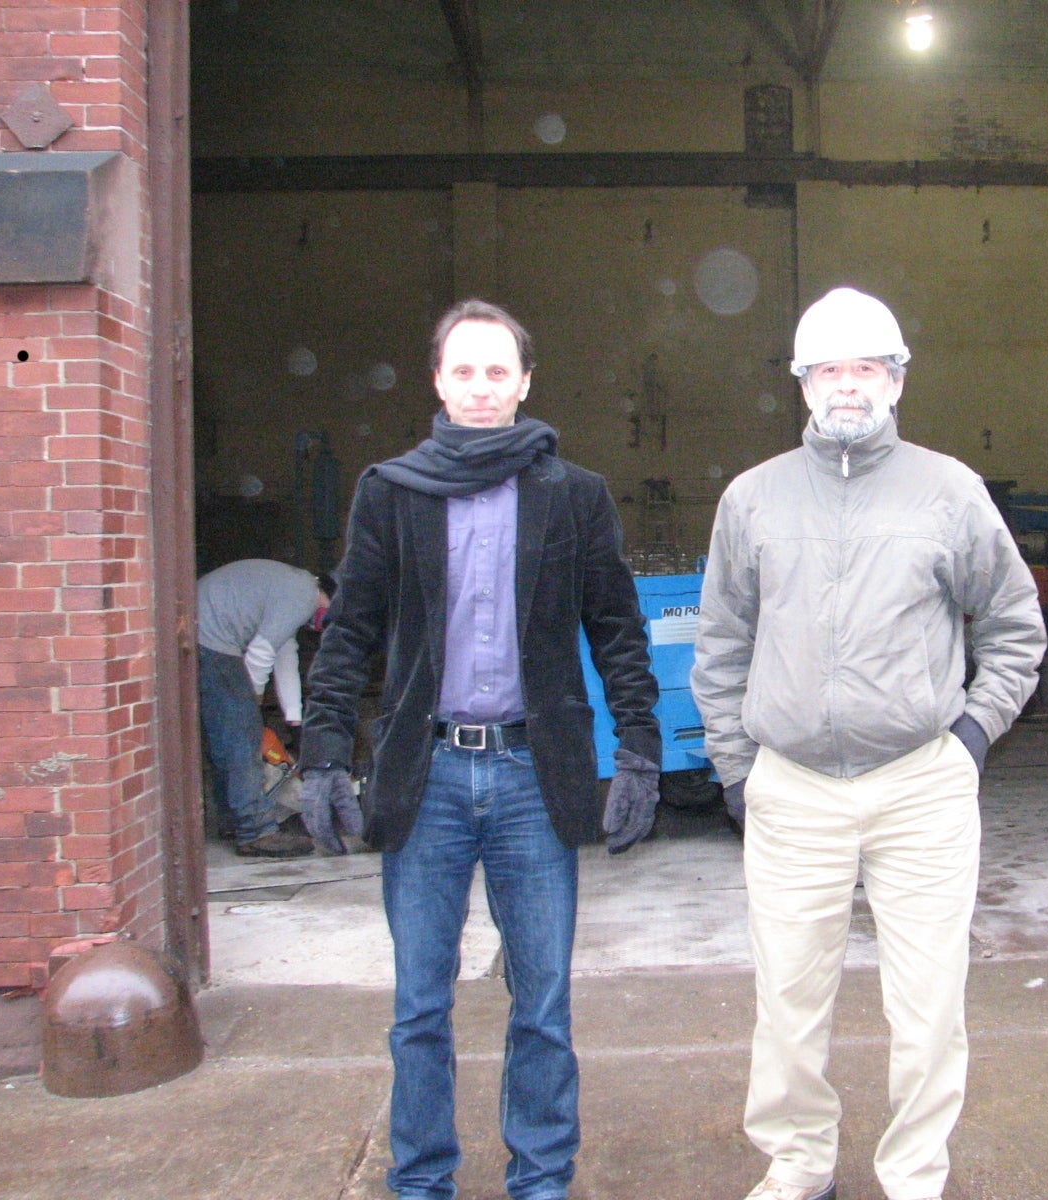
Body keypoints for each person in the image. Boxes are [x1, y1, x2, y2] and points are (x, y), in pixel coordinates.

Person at [297, 298, 662, 1200]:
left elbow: (617, 627)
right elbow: (350, 633)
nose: (481, 386)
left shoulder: (573, 496)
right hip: (426, 778)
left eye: (498, 370)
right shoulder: (392, 490)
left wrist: (642, 751)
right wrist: (321, 755)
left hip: (534, 777)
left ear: (526, 382)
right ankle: (421, 1182)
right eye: (464, 369)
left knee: (542, 1006)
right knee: (420, 1007)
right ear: (437, 382)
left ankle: (541, 1180)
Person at [691, 287, 1047, 1200]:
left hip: (920, 784)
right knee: (788, 1001)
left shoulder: (949, 492)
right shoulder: (753, 499)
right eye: (829, 369)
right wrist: (737, 770)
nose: (848, 386)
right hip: (793, 789)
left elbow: (1015, 627)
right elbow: (723, 645)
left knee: (928, 1004)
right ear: (802, 384)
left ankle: (916, 1173)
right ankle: (799, 1163)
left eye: (866, 368)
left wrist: (969, 737)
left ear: (896, 380)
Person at [196, 558, 332, 858]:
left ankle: (235, 820)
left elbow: (285, 656)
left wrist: (295, 720)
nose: (321, 624)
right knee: (243, 738)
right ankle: (256, 831)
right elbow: (260, 653)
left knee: (227, 740)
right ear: (330, 596)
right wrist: (252, 702)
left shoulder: (293, 589)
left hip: (203, 630)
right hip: (212, 639)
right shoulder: (304, 594)